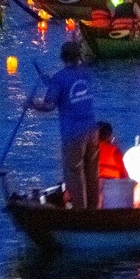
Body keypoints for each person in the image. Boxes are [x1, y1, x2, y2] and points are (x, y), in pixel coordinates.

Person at [31, 42, 99, 209]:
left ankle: (80, 214)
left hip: (73, 133)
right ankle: (93, 210)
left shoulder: (59, 79)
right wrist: (51, 83)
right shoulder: (85, 75)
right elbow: (68, 89)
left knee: (75, 174)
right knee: (91, 173)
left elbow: (49, 105)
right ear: (78, 57)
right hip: (92, 130)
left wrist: (31, 104)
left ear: (62, 57)